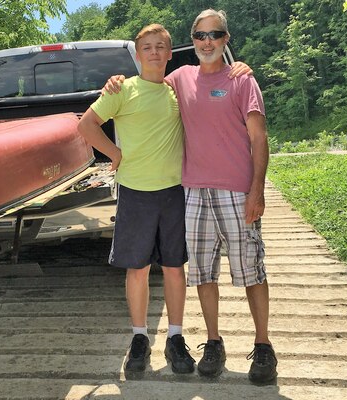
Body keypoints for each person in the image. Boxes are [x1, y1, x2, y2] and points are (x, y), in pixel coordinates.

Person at [104, 9, 277, 384]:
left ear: (226, 39)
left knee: (251, 272)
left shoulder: (242, 81)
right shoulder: (179, 78)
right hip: (193, 192)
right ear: (192, 41)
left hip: (236, 191)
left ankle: (263, 345)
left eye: (215, 34)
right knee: (202, 274)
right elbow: (146, 84)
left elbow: (259, 138)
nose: (207, 41)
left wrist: (257, 190)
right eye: (200, 35)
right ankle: (213, 342)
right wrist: (116, 81)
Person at [78, 24, 196, 374]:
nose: (155, 52)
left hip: (174, 192)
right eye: (147, 47)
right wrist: (114, 154)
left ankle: (175, 339)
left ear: (170, 54)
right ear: (138, 54)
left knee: (175, 267)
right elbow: (86, 125)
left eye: (161, 46)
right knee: (138, 268)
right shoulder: (122, 89)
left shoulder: (177, 91)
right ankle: (140, 338)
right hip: (135, 193)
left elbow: (209, 77)